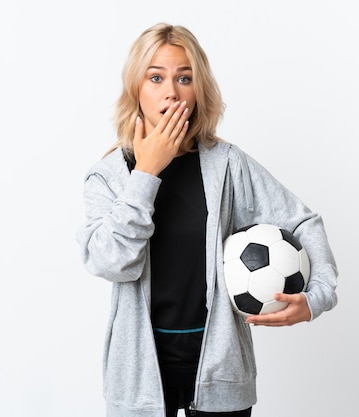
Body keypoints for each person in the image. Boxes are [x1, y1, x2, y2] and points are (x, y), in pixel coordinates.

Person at [76, 23, 338, 417]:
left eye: (185, 78)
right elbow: (110, 262)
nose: (171, 91)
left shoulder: (226, 164)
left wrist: (316, 297)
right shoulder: (109, 176)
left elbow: (303, 221)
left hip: (220, 368)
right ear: (136, 89)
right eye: (155, 77)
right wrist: (147, 173)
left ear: (199, 89)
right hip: (139, 375)